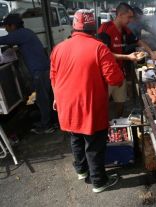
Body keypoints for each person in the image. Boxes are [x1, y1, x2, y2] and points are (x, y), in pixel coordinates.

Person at [50, 9, 124, 193]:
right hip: (90, 105)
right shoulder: (99, 48)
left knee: (75, 137)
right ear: (94, 28)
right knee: (94, 144)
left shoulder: (58, 48)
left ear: (74, 26)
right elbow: (115, 80)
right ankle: (99, 181)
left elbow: (53, 77)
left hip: (66, 104)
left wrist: (56, 97)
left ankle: (82, 171)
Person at [98, 3, 156, 117]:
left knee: (120, 101)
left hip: (120, 73)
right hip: (106, 75)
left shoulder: (125, 30)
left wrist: (151, 52)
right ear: (120, 15)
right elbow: (103, 54)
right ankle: (104, 126)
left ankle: (118, 119)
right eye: (128, 17)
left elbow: (138, 41)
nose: (130, 20)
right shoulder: (105, 29)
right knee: (102, 104)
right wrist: (128, 57)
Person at [0, 13, 55, 134]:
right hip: (44, 69)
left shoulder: (20, 34)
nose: (7, 30)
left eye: (7, 28)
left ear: (13, 26)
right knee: (46, 98)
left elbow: (3, 40)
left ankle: (46, 126)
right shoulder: (26, 33)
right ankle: (50, 120)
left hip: (39, 71)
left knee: (42, 99)